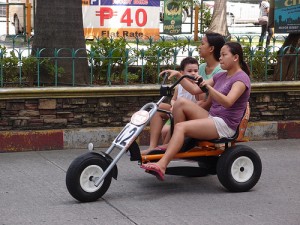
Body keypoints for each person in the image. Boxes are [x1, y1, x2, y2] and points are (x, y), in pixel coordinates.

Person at [140, 42, 251, 181]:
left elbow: (228, 102)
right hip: (213, 117)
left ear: (235, 57)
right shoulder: (221, 76)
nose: (220, 58)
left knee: (181, 127)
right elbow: (194, 89)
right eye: (220, 55)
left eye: (224, 55)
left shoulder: (241, 78)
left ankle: (162, 165)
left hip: (225, 124)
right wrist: (179, 77)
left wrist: (210, 89)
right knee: (180, 102)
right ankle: (176, 143)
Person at [141, 32, 225, 155]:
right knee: (158, 108)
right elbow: (194, 89)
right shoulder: (201, 67)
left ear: (211, 48)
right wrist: (179, 76)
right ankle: (152, 147)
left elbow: (209, 103)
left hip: (208, 113)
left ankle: (168, 146)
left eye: (202, 44)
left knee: (180, 105)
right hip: (193, 107)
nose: (199, 47)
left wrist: (187, 108)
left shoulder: (220, 71)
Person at [141, 56, 199, 155]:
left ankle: (164, 150)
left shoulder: (197, 86)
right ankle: (152, 147)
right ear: (182, 73)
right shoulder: (180, 86)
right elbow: (173, 99)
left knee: (165, 131)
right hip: (176, 111)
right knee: (157, 107)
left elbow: (200, 103)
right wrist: (173, 105)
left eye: (195, 71)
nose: (193, 73)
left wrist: (177, 107)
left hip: (189, 115)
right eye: (189, 71)